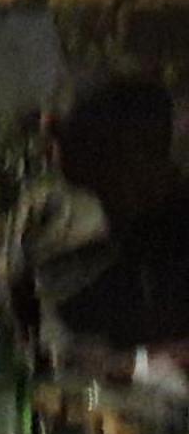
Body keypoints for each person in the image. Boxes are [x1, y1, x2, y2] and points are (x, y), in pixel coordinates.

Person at [46, 76, 189, 356]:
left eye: (104, 183)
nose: (106, 203)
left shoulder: (170, 229)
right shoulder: (144, 230)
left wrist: (133, 364)